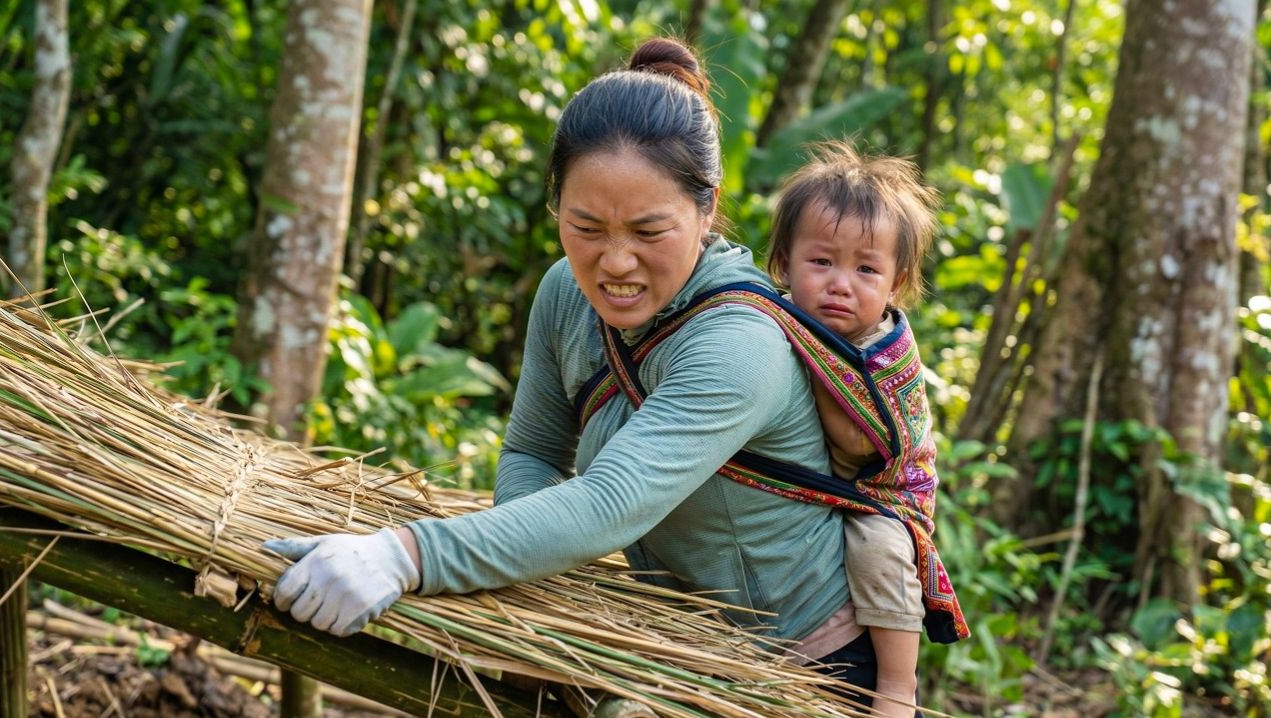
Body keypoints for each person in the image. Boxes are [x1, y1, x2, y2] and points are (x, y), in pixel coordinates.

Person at [263, 36, 896, 704]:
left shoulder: (741, 342)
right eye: (586, 227)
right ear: (555, 207)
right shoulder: (564, 293)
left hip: (808, 668)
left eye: (648, 233)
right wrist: (528, 590)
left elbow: (610, 502)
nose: (614, 263)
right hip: (682, 651)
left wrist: (401, 555)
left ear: (706, 208)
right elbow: (534, 451)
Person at [764, 141, 943, 717]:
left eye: (866, 268)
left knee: (878, 552)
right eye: (822, 262)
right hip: (826, 489)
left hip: (886, 489)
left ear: (896, 282)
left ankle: (897, 686)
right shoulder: (771, 313)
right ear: (783, 264)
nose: (842, 283)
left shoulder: (879, 347)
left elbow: (858, 441)